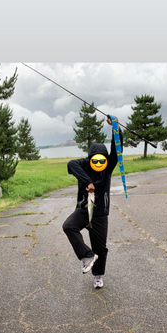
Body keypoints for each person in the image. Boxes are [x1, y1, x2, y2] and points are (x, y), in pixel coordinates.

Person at [62, 116, 123, 289]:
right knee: (68, 226)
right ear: (90, 158)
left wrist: (116, 128)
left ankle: (98, 275)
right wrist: (87, 180)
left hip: (100, 214)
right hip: (83, 210)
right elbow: (71, 164)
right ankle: (87, 256)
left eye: (101, 159)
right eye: (95, 159)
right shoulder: (84, 164)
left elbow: (117, 148)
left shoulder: (108, 166)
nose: (98, 162)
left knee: (100, 248)